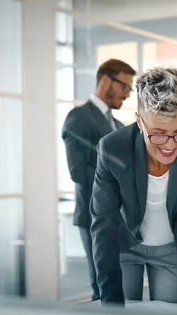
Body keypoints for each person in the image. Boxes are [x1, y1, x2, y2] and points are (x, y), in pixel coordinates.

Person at [90, 67, 177, 309]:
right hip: (124, 247)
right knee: (119, 307)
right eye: (158, 134)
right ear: (140, 121)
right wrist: (108, 300)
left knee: (174, 309)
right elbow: (103, 223)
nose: (170, 145)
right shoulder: (112, 148)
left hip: (174, 248)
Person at [61, 59, 136, 301]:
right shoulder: (79, 117)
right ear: (105, 80)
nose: (126, 94)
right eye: (125, 87)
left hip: (120, 218)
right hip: (95, 218)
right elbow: (78, 171)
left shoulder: (117, 124)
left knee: (122, 287)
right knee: (104, 289)